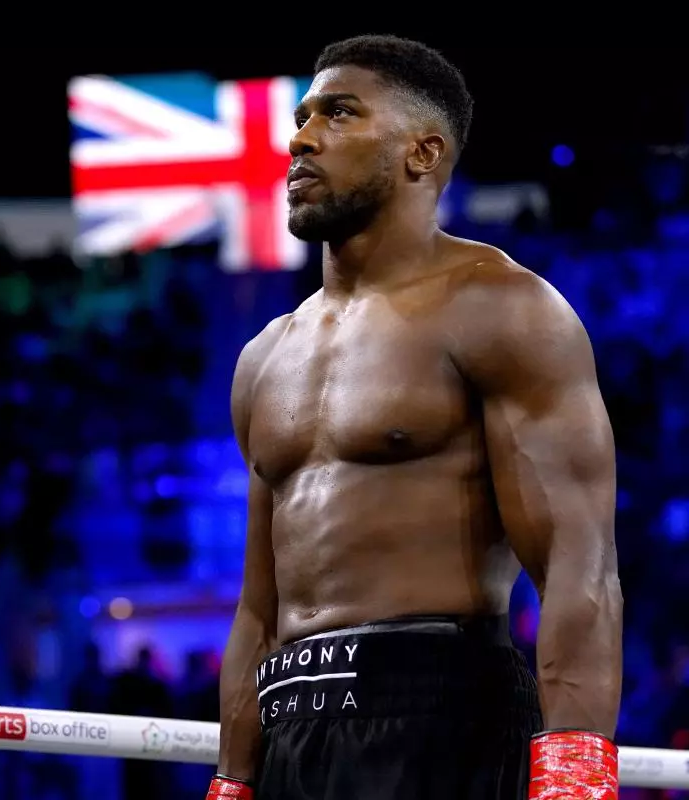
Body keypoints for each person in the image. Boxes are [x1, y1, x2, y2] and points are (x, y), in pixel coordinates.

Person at [207, 36, 622, 800]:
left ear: (421, 153)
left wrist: (576, 778)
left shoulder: (501, 308)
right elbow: (258, 608)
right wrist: (233, 781)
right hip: (290, 723)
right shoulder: (263, 359)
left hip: (440, 711)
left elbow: (576, 565)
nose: (300, 137)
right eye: (302, 116)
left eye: (338, 113)